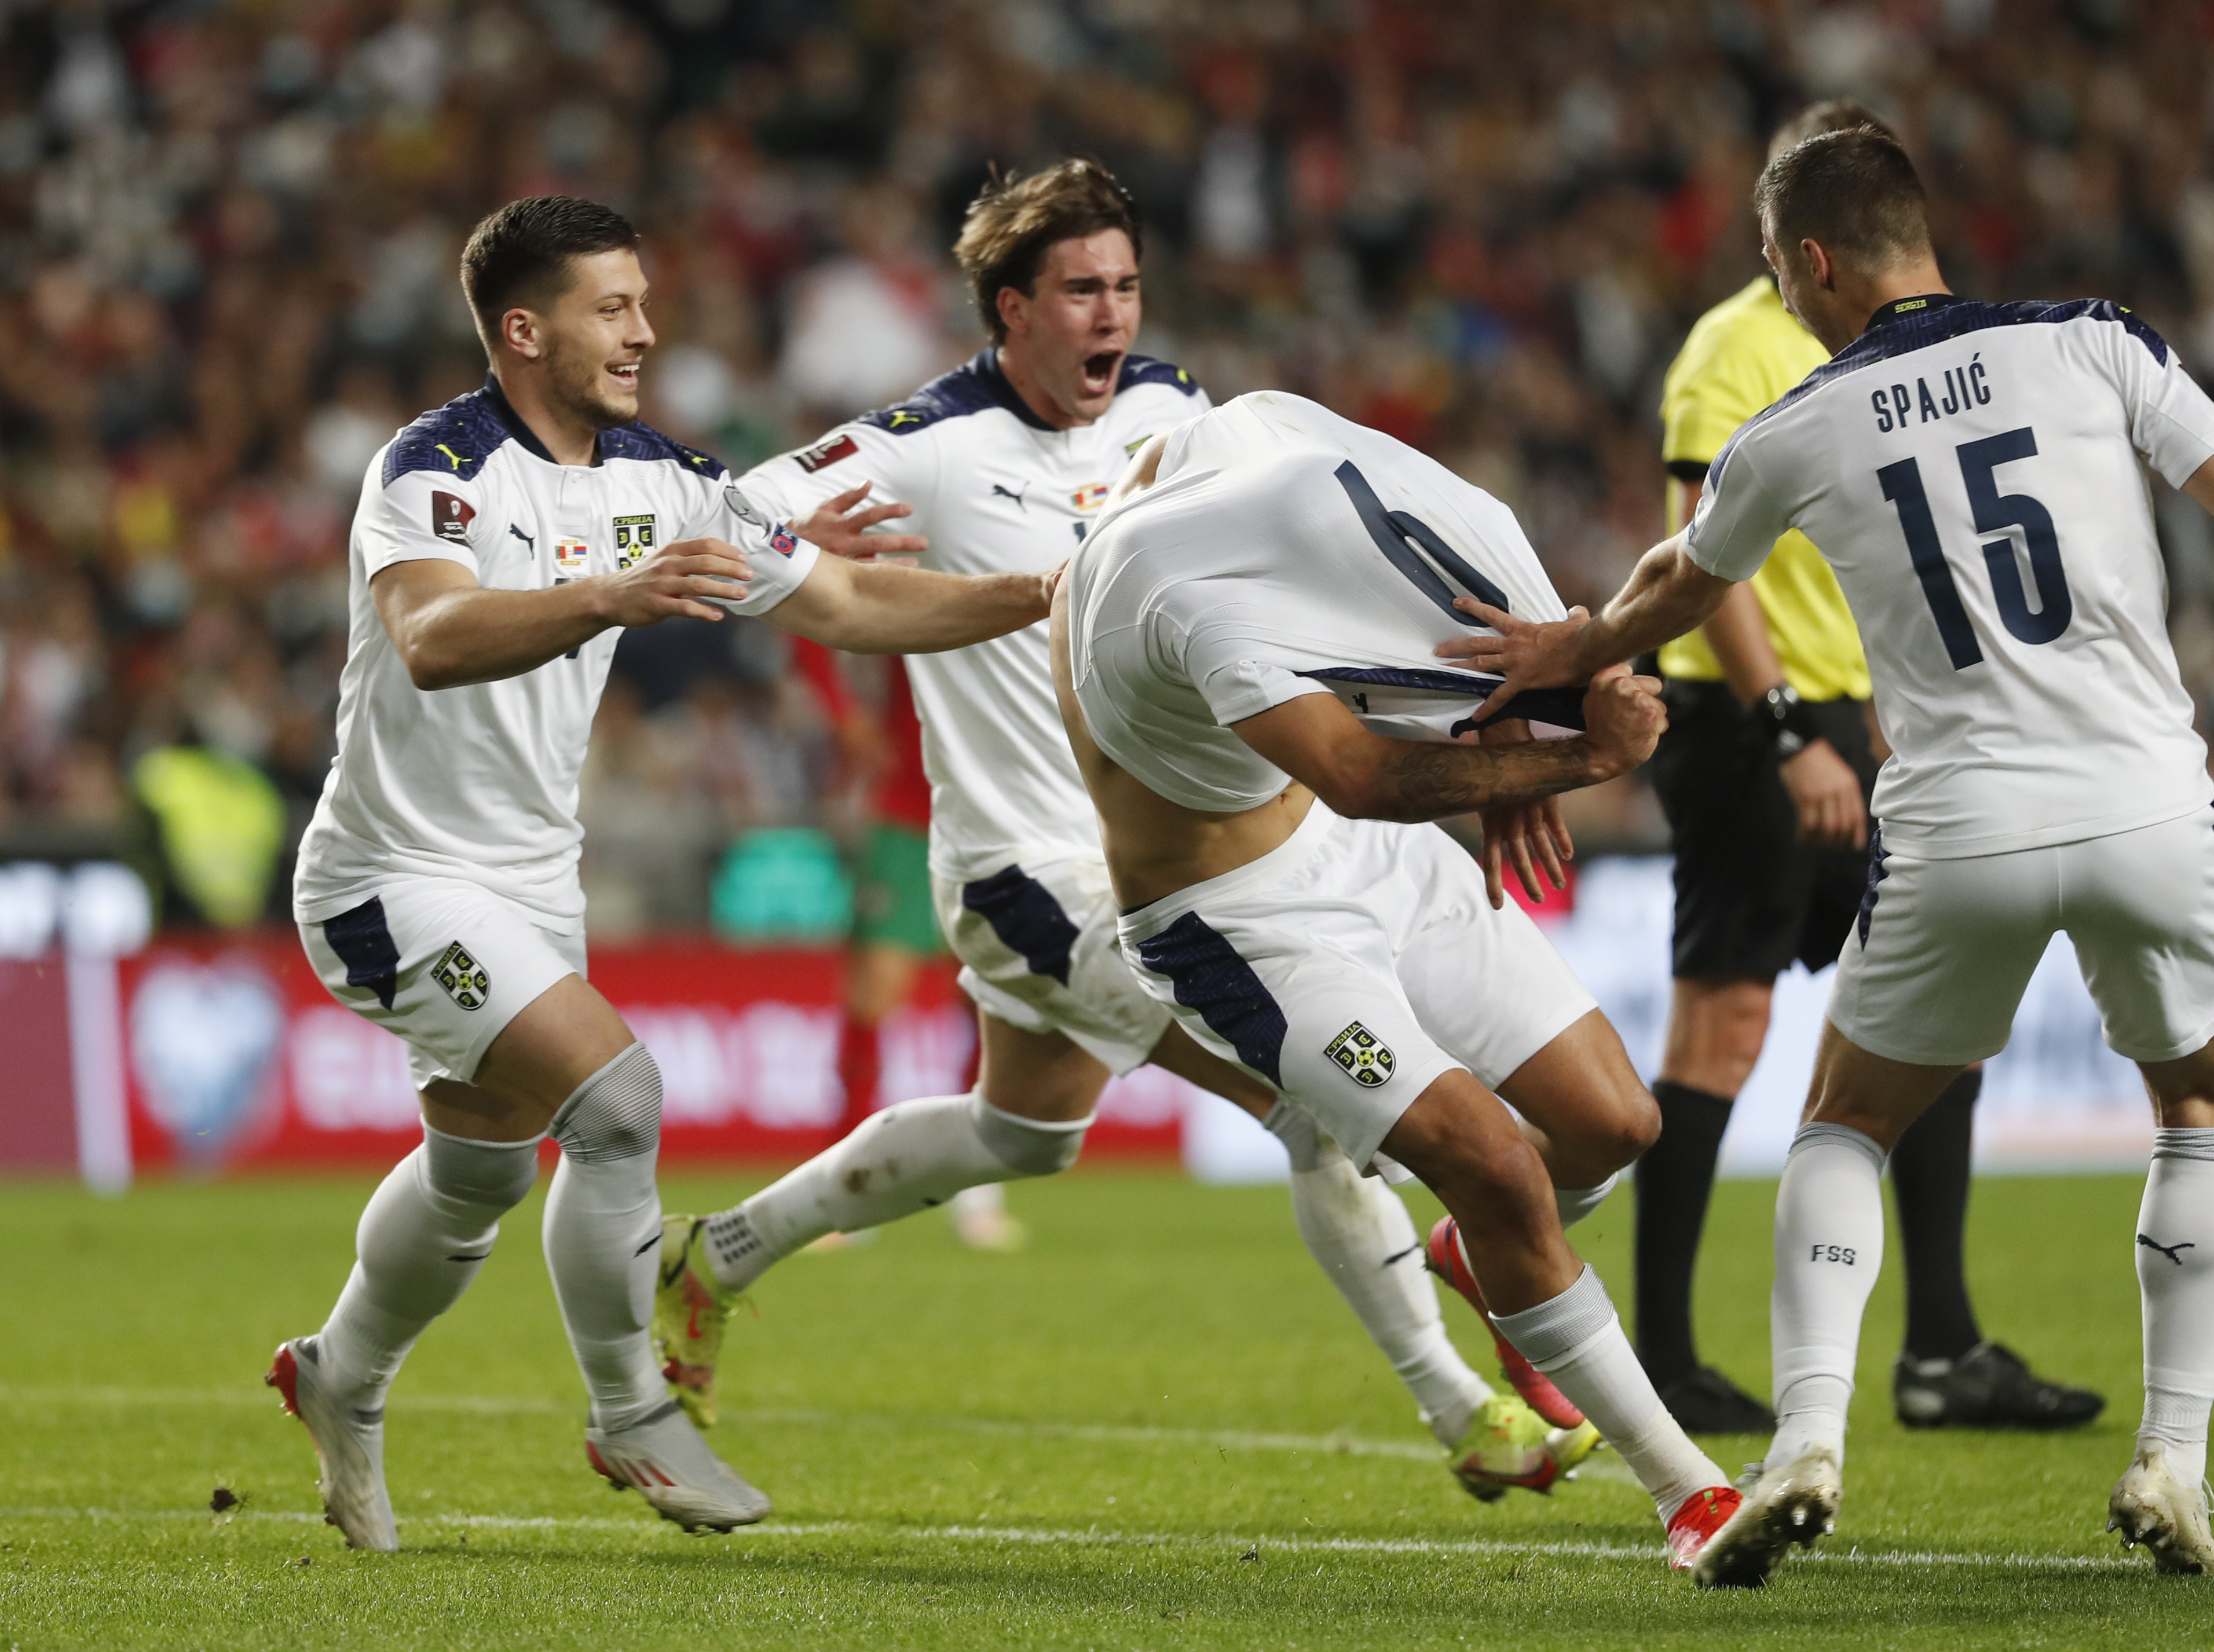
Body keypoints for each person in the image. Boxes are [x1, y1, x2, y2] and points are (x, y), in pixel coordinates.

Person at [1439, 126, 2214, 1585]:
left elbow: (1672, 584)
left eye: (1779, 272)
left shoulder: (1801, 424)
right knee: (2200, 1106)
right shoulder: (2092, 343)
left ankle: (1809, 1441)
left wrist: (1565, 650)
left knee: (1842, 1122)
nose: (1781, 297)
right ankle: (2171, 1461)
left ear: (1818, 261)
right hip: (2147, 804)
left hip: (1958, 821)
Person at [653, 162, 1594, 1501]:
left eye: (1126, 286)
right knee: (1312, 1103)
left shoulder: (1172, 407)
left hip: (1169, 847)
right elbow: (723, 524)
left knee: (1022, 1130)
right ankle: (1465, 1411)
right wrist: (829, 576)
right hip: (1029, 870)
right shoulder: (923, 440)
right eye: (1081, 291)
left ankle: (714, 1261)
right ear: (1009, 308)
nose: (1110, 316)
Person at [268, 195, 1055, 1551]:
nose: (644, 329)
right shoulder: (434, 465)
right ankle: (632, 1411)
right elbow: (434, 635)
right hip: (388, 877)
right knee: (620, 1099)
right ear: (525, 329)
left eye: (643, 300)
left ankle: (341, 1376)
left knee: (481, 1180)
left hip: (529, 888)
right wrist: (610, 594)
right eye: (611, 307)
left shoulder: (666, 480)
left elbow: (855, 605)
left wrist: (1052, 589)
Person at [1053, 386, 1747, 1569]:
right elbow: (1359, 770)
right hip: (1239, 923)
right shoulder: (1180, 599)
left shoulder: (1251, 440)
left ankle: (1481, 1256)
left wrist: (1528, 712)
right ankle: (1690, 1493)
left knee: (1614, 1121)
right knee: (1500, 1165)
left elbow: (1434, 537)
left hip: (1369, 856)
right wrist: (1583, 752)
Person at [1634, 99, 2099, 1436]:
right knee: (1721, 1026)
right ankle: (1663, 1358)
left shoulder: (1889, 356)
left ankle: (1940, 1348)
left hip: (1860, 724)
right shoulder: (1732, 349)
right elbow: (1692, 555)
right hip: (1750, 728)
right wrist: (1786, 728)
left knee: (1931, 1027)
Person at [791, 643, 1020, 1250]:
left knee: (989, 1001)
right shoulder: (913, 554)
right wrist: (845, 714)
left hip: (998, 818)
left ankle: (977, 1186)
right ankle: (845, 1186)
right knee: (873, 995)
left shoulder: (1040, 568)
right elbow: (804, 619)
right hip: (906, 809)